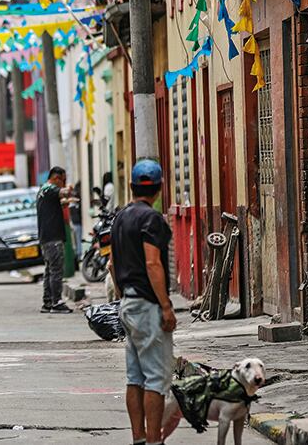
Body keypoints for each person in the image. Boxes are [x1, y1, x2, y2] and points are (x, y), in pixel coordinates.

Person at [109, 159, 174, 445]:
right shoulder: (152, 219)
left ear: (132, 186)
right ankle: (154, 441)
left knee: (135, 378)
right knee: (155, 379)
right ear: (159, 189)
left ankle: (138, 438)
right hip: (147, 305)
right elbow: (152, 263)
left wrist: (123, 297)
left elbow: (112, 265)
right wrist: (166, 306)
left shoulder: (120, 218)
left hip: (128, 303)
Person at [36, 166, 72, 313]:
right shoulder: (51, 188)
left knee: (49, 271)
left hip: (45, 237)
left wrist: (63, 203)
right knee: (56, 271)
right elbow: (63, 192)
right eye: (63, 180)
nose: (63, 183)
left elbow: (53, 205)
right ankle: (56, 302)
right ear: (56, 178)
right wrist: (69, 189)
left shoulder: (43, 190)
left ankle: (48, 302)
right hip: (53, 237)